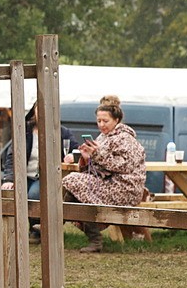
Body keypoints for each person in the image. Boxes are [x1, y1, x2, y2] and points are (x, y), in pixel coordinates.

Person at [61, 95, 147, 252]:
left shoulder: (125, 138)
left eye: (105, 121)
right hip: (109, 183)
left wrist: (96, 155)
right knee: (75, 185)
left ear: (116, 120)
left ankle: (54, 225)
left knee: (73, 182)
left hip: (125, 187)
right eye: (99, 121)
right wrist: (86, 158)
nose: (101, 125)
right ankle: (92, 240)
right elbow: (100, 166)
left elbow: (124, 166)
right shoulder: (103, 137)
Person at [0, 102, 76, 241]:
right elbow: (12, 156)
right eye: (39, 110)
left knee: (33, 195)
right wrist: (9, 179)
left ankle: (35, 231)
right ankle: (14, 232)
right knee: (12, 194)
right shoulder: (24, 130)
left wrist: (72, 155)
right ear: (34, 112)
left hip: (45, 177)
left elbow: (77, 150)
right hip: (22, 176)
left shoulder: (62, 132)